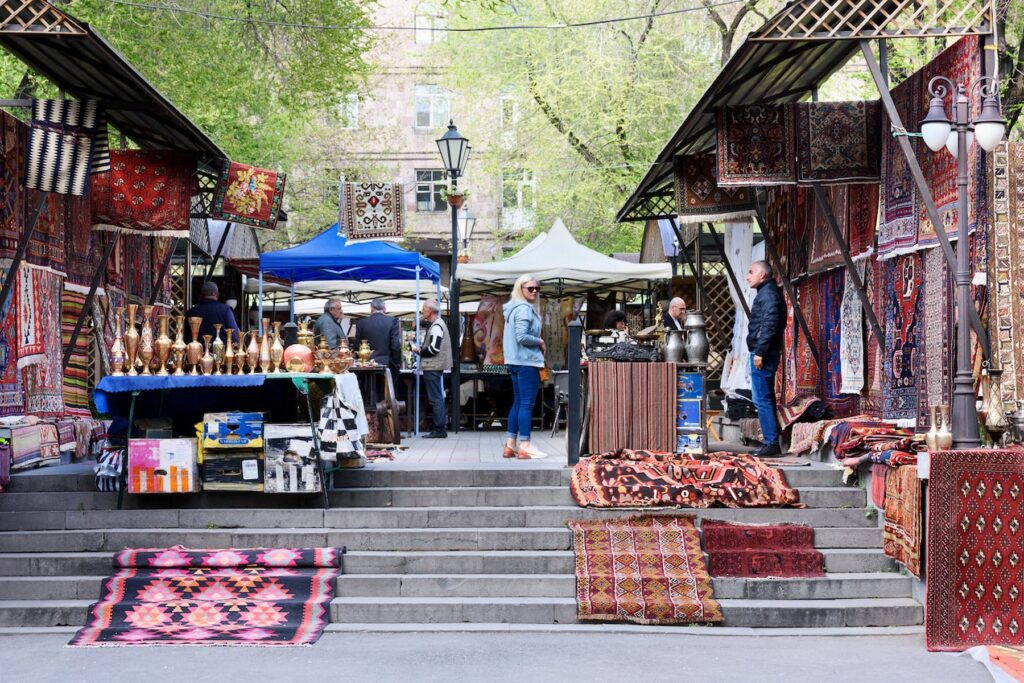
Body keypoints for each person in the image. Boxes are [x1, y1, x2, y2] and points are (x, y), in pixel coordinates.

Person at [502, 274, 548, 460]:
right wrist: (540, 341)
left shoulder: (512, 309)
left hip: (515, 361)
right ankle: (526, 445)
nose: (535, 291)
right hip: (526, 361)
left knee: (519, 402)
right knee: (527, 405)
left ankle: (510, 445)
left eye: (537, 288)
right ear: (520, 289)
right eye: (530, 288)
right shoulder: (524, 309)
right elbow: (522, 336)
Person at [745, 260, 786, 458]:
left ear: (762, 275)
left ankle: (771, 443)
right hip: (766, 350)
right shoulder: (768, 293)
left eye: (751, 272)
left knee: (762, 398)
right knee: (763, 397)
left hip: (765, 352)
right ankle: (770, 442)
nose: (747, 276)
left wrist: (760, 352)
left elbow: (770, 323)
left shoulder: (768, 294)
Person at [411, 299, 451, 439]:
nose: (422, 311)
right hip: (434, 366)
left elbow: (434, 349)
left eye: (424, 309)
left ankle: (439, 429)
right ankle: (440, 428)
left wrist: (419, 351)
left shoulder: (436, 326)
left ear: (430, 311)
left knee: (435, 398)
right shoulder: (437, 324)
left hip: (433, 365)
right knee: (437, 397)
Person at [353, 298, 402, 374]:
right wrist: (397, 363)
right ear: (384, 309)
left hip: (366, 365)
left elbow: (356, 346)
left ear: (371, 309)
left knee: (367, 386)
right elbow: (395, 345)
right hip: (387, 364)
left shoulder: (361, 323)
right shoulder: (392, 321)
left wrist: (359, 360)